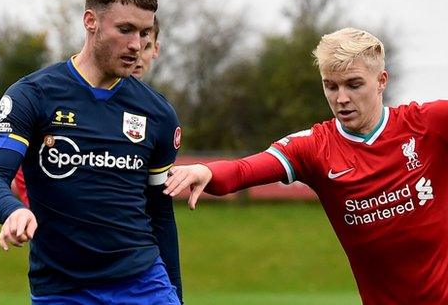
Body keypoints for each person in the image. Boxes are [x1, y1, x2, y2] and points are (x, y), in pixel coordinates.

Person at [164, 27, 448, 304]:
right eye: (331, 86)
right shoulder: (314, 147)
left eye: (354, 84)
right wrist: (206, 171)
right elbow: (243, 171)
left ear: (382, 80)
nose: (342, 98)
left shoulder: (427, 124)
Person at [0, 0, 182, 305]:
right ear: (91, 21)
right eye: (125, 29)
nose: (137, 44)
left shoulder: (157, 113)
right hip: (62, 289)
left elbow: (160, 214)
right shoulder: (32, 95)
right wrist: (13, 211)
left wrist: (176, 293)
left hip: (143, 283)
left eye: (145, 32)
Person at [11, 15, 162, 206]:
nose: (137, 53)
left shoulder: (156, 110)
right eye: (125, 35)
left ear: (156, 49)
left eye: (146, 45)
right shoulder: (60, 93)